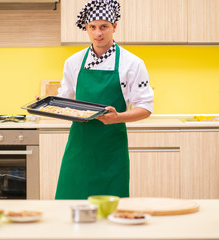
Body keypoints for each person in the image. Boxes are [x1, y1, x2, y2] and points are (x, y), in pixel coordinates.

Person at [55, 0, 154, 199]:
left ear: (114, 27)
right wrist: (48, 104)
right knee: (69, 206)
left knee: (112, 212)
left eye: (103, 27)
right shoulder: (73, 62)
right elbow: (63, 101)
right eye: (92, 27)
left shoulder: (132, 63)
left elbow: (145, 107)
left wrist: (118, 117)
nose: (98, 33)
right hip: (79, 149)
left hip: (111, 151)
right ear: (86, 28)